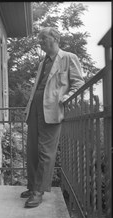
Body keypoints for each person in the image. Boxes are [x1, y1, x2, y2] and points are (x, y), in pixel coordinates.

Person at [21, 27, 85, 208]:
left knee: (46, 152)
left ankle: (38, 191)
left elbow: (79, 82)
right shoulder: (43, 62)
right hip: (35, 108)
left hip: (53, 109)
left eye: (43, 39)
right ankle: (32, 185)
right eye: (39, 39)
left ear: (55, 38)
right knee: (32, 149)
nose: (40, 42)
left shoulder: (68, 57)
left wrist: (66, 98)